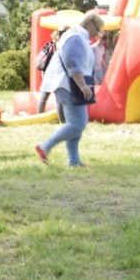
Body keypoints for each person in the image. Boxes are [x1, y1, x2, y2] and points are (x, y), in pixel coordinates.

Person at [35, 14, 104, 167]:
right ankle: (45, 146)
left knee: (76, 123)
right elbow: (72, 63)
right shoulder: (75, 38)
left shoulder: (79, 37)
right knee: (78, 124)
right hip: (69, 85)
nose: (97, 34)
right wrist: (83, 85)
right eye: (98, 29)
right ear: (90, 24)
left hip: (70, 84)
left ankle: (73, 160)